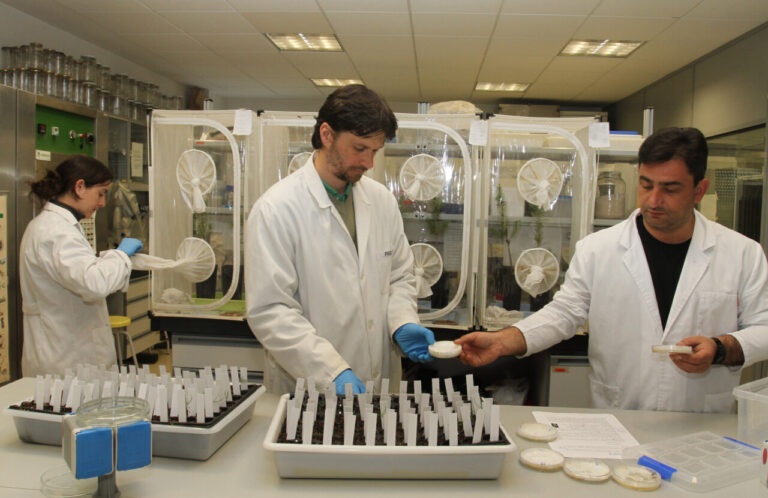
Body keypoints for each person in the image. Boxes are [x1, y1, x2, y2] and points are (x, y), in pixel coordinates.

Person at [456, 127, 768, 413]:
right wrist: (500, 341)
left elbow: (764, 329)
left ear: (699, 191)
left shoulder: (741, 254)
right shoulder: (598, 249)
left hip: (701, 420)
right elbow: (564, 314)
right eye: (646, 185)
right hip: (620, 414)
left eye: (670, 189)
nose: (654, 200)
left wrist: (720, 348)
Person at [246, 84, 434, 395]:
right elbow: (271, 311)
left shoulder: (381, 201)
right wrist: (331, 372)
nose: (369, 163)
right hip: (311, 389)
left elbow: (400, 275)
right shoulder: (276, 209)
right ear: (327, 134)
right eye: (360, 149)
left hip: (381, 385)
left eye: (375, 151)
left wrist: (401, 321)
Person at [20, 155, 143, 377]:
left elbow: (81, 273)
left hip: (67, 353)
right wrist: (120, 255)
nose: (102, 203)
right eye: (101, 193)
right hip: (65, 360)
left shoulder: (55, 226)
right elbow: (94, 283)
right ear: (80, 187)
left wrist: (112, 259)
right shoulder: (56, 232)